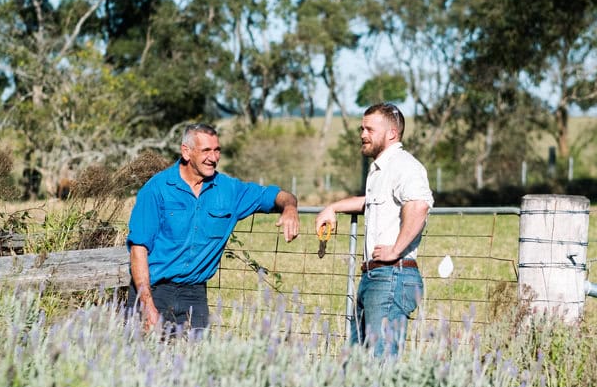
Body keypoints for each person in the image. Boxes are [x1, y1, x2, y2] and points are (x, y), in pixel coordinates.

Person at [126, 122, 300, 334]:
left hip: (194, 295)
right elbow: (138, 250)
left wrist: (290, 207)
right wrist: (147, 306)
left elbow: (274, 195)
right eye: (206, 150)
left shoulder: (229, 190)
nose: (213, 157)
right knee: (145, 362)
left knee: (195, 362)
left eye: (217, 150)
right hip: (155, 291)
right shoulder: (157, 189)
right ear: (186, 152)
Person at [316, 103, 434, 355]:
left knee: (379, 363)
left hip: (392, 274)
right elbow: (369, 203)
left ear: (392, 133)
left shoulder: (404, 165)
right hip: (376, 276)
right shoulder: (382, 169)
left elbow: (419, 206)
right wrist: (333, 207)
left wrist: (396, 250)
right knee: (359, 362)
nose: (362, 134)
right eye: (362, 128)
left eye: (369, 129)